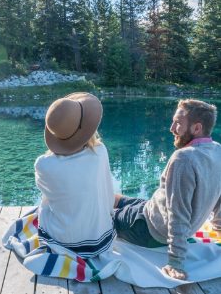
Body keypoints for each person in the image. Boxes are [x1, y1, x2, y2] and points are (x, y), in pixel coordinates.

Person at [114, 99, 221, 280]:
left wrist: (175, 262)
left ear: (197, 128)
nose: (171, 128)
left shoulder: (184, 159)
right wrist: (219, 227)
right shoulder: (217, 150)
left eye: (178, 123)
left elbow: (178, 213)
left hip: (148, 230)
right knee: (117, 199)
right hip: (153, 208)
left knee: (101, 216)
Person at [35, 92, 116, 258]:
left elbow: (50, 196)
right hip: (101, 239)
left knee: (44, 203)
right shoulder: (100, 152)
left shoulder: (43, 164)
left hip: (65, 241)